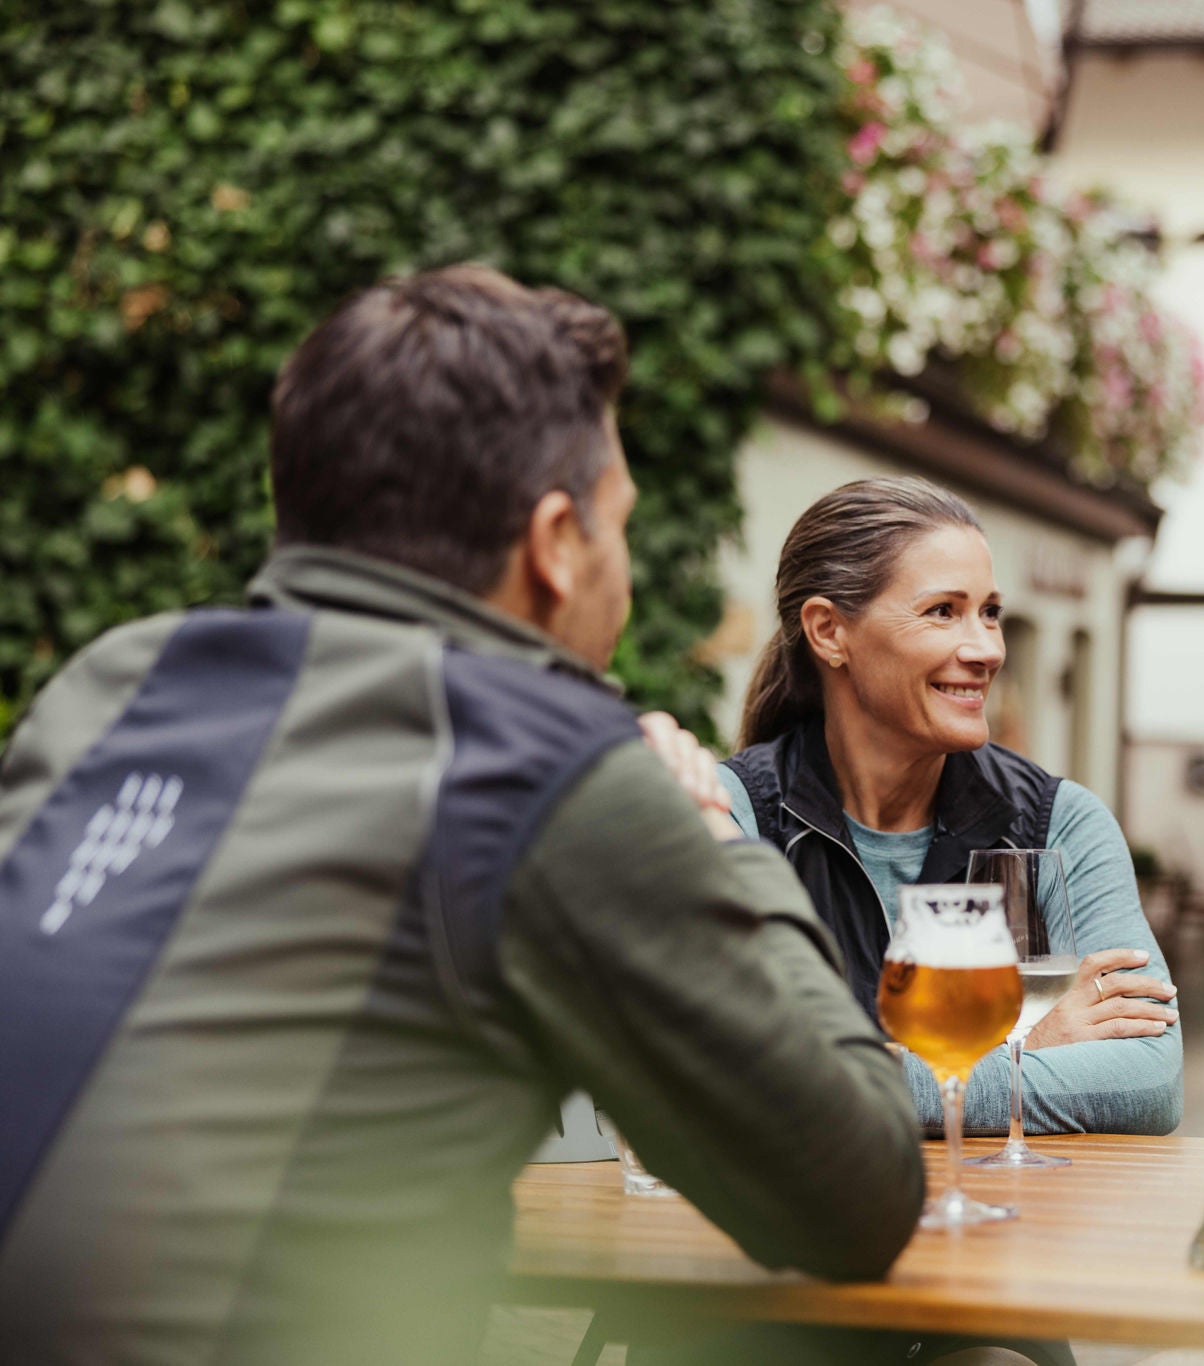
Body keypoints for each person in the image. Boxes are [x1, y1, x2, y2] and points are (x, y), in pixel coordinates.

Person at [0, 265, 925, 1366]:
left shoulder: (113, 688)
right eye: (617, 524)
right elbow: (857, 1191)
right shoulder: (537, 767)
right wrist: (713, 835)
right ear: (552, 543)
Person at [720, 476, 1183, 1139]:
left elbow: (1150, 1079)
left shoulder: (1060, 823)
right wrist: (1024, 1047)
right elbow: (731, 1073)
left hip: (1006, 1233)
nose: (988, 649)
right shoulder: (735, 815)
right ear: (829, 632)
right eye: (944, 611)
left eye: (989, 612)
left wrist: (860, 1077)